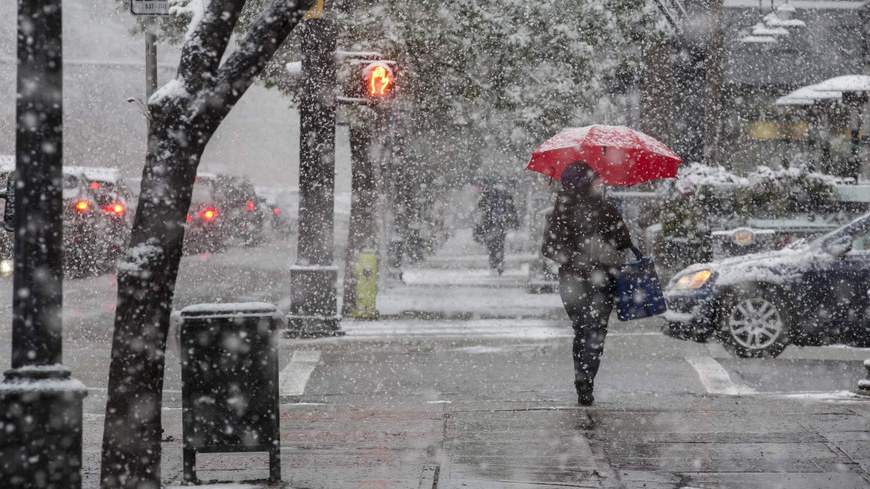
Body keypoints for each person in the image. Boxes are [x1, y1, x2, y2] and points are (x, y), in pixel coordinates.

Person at [541, 162, 637, 406]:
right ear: (590, 183)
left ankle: (581, 377)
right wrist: (599, 251)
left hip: (571, 283)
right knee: (595, 331)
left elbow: (548, 249)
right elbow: (624, 242)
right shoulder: (605, 209)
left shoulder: (558, 213)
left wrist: (572, 258)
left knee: (581, 330)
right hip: (601, 281)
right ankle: (586, 378)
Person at [475, 184, 519, 275]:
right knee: (495, 244)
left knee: (496, 244)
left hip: (497, 224)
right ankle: (497, 263)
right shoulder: (493, 194)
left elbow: (512, 209)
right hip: (493, 224)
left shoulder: (501, 195)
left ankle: (496, 263)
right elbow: (480, 205)